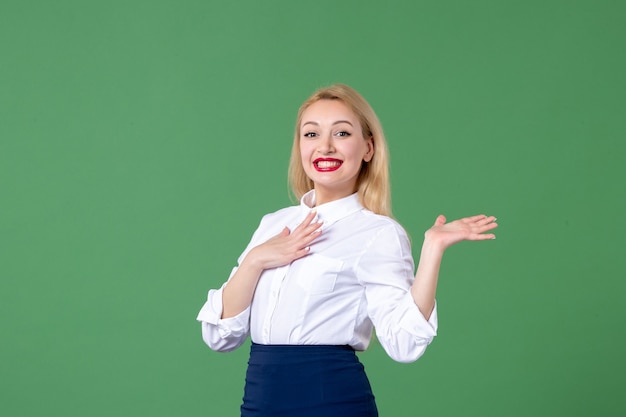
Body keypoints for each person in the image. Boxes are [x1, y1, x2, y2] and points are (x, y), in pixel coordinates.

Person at [196, 84, 497, 416]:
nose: (325, 146)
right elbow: (219, 336)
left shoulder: (378, 233)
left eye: (341, 133)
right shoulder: (272, 225)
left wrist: (433, 249)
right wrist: (256, 260)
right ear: (299, 147)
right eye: (311, 134)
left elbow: (404, 344)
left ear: (368, 148)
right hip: (260, 403)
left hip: (332, 402)